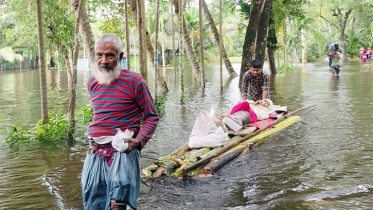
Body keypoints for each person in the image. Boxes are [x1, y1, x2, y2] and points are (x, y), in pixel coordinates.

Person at [81, 34, 159, 210]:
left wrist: (139, 141)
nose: (103, 60)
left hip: (124, 150)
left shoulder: (135, 81)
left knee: (118, 204)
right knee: (94, 201)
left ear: (120, 57)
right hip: (96, 150)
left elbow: (152, 116)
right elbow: (100, 114)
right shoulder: (92, 81)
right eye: (99, 55)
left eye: (110, 55)